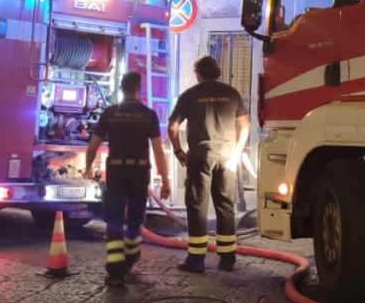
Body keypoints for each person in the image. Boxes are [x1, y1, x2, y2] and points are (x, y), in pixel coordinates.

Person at [85, 72, 172, 287]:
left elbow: (93, 144)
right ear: (138, 89)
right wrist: (165, 180)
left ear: (121, 89)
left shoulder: (109, 113)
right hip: (139, 173)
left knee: (114, 218)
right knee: (135, 217)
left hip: (116, 171)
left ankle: (115, 271)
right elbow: (158, 151)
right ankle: (131, 256)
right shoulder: (149, 115)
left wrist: (87, 167)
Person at [167, 55, 250, 273]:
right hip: (227, 156)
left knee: (197, 206)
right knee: (226, 206)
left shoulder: (190, 95)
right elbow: (245, 125)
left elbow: (173, 127)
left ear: (199, 74)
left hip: (200, 155)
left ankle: (196, 260)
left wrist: (177, 150)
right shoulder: (232, 94)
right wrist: (237, 152)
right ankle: (227, 259)